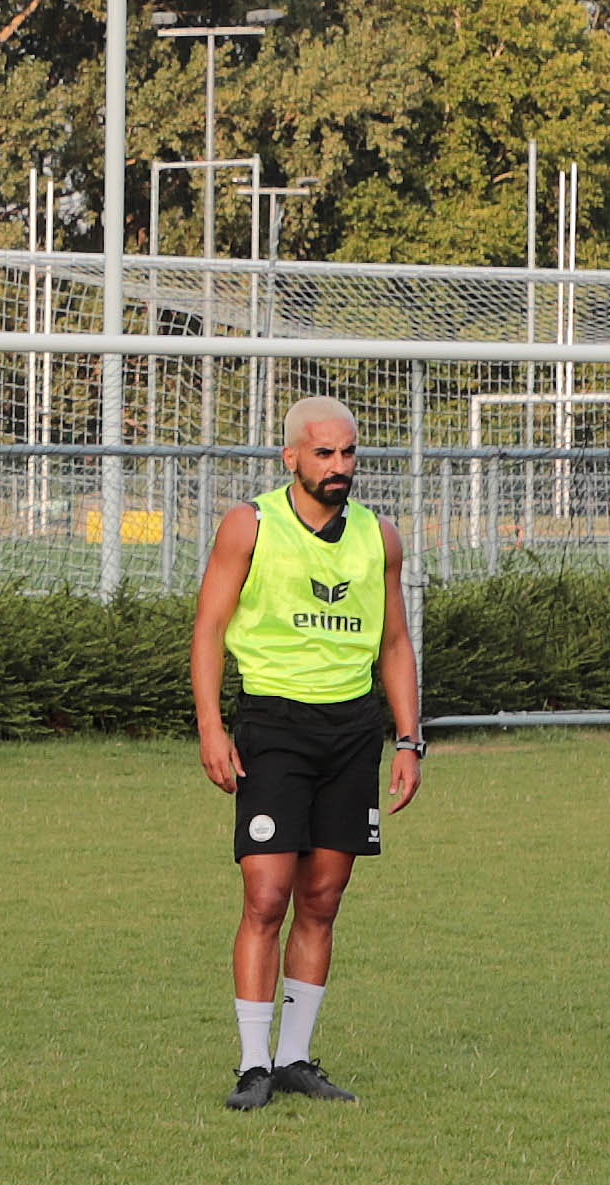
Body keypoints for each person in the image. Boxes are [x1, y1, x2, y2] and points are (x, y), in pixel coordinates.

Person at [189, 392, 424, 1111]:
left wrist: (409, 738)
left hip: (352, 732)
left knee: (322, 899)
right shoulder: (250, 525)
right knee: (266, 895)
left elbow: (394, 642)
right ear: (290, 455)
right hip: (274, 726)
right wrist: (210, 727)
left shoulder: (380, 537)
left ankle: (294, 1058)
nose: (338, 465)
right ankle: (252, 1065)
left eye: (349, 452)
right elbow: (209, 627)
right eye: (324, 453)